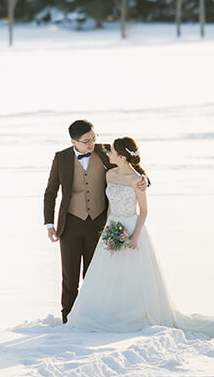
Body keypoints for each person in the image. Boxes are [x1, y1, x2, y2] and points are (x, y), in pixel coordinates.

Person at [65, 137, 214, 335]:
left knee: (132, 272)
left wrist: (134, 236)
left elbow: (143, 211)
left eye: (113, 152)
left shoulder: (138, 181)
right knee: (106, 272)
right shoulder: (110, 175)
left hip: (132, 227)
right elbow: (110, 207)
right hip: (112, 227)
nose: (109, 154)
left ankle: (130, 312)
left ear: (122, 156)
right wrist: (107, 230)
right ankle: (106, 311)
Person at [42, 120, 145, 323]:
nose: (92, 144)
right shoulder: (61, 158)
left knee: (95, 274)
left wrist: (145, 179)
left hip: (98, 223)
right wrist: (49, 225)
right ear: (74, 142)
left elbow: (131, 165)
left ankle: (92, 316)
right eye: (87, 141)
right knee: (69, 277)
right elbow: (50, 192)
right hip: (70, 224)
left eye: (94, 138)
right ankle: (68, 319)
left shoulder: (105, 151)